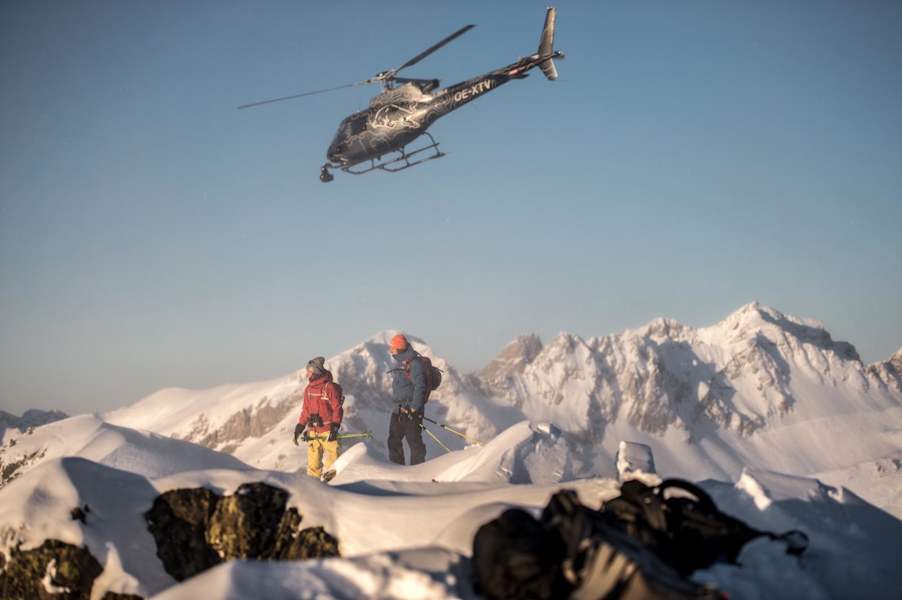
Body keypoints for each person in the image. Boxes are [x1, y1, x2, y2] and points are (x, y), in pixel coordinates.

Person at [293, 356, 343, 479]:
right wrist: (299, 428)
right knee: (313, 466)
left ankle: (334, 487)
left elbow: (337, 408)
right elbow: (305, 411)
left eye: (309, 372)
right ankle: (314, 490)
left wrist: (335, 427)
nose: (307, 375)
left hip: (328, 431)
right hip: (313, 433)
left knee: (333, 463)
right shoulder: (308, 390)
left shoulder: (329, 388)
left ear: (315, 372)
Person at [387, 334, 428, 465]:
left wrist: (414, 408)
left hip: (411, 410)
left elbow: (420, 386)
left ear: (399, 349)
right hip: (398, 410)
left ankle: (418, 471)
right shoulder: (401, 362)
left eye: (392, 348)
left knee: (414, 441)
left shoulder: (414, 364)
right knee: (393, 441)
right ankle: (397, 469)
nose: (390, 350)